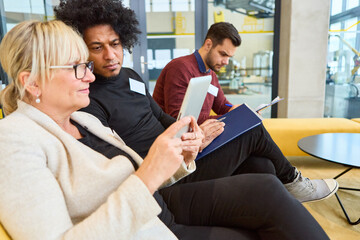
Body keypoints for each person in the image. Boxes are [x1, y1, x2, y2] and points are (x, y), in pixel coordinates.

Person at [0, 19, 332, 240]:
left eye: (86, 65)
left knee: (262, 178)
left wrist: (182, 151)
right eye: (79, 66)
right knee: (263, 195)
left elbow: (147, 156)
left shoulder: (82, 120)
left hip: (158, 208)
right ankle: (294, 184)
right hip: (149, 222)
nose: (90, 75)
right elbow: (139, 180)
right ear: (33, 82)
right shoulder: (13, 141)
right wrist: (151, 172)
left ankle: (288, 183)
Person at [55, 0, 338, 205]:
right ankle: (295, 182)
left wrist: (193, 133)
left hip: (185, 149)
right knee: (252, 129)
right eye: (97, 47)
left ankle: (283, 192)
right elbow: (124, 159)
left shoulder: (131, 76)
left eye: (115, 43)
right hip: (171, 173)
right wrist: (184, 145)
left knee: (263, 164)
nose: (110, 55)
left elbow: (164, 118)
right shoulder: (87, 99)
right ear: (81, 49)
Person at [153, 22, 241, 125]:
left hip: (200, 135)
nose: (226, 62)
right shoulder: (179, 68)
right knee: (254, 133)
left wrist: (238, 111)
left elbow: (222, 106)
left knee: (253, 129)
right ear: (208, 45)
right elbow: (178, 119)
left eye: (229, 57)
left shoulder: (210, 74)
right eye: (223, 54)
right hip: (176, 137)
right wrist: (230, 118)